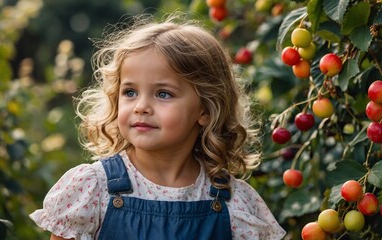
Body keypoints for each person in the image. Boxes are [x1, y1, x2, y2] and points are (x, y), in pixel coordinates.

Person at [30, 12, 286, 240]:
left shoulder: (233, 202)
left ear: (206, 110)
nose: (141, 106)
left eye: (163, 94)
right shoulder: (93, 188)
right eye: (130, 92)